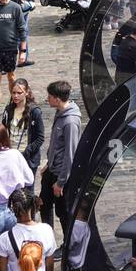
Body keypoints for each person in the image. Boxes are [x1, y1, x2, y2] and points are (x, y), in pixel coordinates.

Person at [0, 186, 57, 271]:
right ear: (33, 206)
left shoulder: (5, 238)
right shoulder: (47, 230)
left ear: (13, 209)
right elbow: (49, 264)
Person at [43, 80, 81, 233]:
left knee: (63, 211)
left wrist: (60, 183)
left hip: (61, 175)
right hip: (52, 169)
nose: (48, 99)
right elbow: (56, 144)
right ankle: (48, 236)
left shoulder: (70, 121)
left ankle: (67, 244)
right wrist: (48, 163)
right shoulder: (59, 113)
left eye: (50, 96)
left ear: (57, 99)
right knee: (43, 203)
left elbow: (70, 154)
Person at [0, 77, 45, 172]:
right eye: (13, 93)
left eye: (19, 93)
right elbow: (3, 130)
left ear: (26, 92)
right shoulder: (8, 110)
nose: (15, 96)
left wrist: (27, 151)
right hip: (11, 157)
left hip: (27, 159)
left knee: (27, 186)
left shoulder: (35, 112)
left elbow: (40, 138)